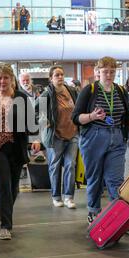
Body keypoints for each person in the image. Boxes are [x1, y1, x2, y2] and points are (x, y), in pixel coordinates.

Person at [72, 56, 129, 224]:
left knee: (116, 180)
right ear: (98, 72)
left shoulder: (120, 91)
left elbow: (128, 117)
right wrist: (92, 116)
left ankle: (117, 215)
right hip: (93, 138)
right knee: (95, 178)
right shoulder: (89, 90)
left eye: (112, 71)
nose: (109, 75)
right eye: (105, 71)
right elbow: (76, 118)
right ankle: (94, 212)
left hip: (117, 138)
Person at [0, 64, 40, 240]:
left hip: (15, 148)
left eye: (6, 77)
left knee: (13, 188)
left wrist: (35, 139)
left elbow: (32, 124)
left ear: (12, 80)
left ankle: (5, 210)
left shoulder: (21, 98)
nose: (2, 81)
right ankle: (5, 225)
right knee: (3, 183)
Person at [37, 66, 78, 208]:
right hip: (56, 136)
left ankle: (69, 197)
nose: (60, 77)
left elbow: (78, 109)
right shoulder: (47, 94)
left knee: (70, 165)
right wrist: (44, 121)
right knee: (54, 167)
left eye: (61, 74)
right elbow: (36, 111)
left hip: (72, 134)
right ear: (51, 78)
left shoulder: (72, 91)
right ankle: (56, 196)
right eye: (56, 75)